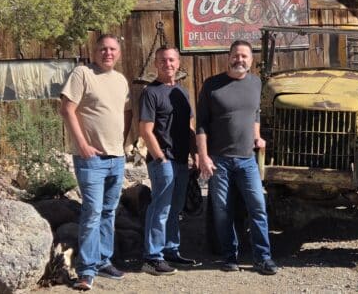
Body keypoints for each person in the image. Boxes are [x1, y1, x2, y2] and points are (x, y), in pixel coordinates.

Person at [196, 40, 278, 275]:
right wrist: (203, 156)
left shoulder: (255, 83)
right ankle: (229, 257)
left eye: (244, 56)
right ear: (228, 57)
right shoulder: (212, 85)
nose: (239, 60)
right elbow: (201, 124)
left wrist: (257, 136)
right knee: (223, 211)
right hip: (219, 160)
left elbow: (255, 114)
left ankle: (263, 258)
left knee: (258, 207)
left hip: (247, 159)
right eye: (236, 55)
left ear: (251, 60)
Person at [60, 34, 132, 291]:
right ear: (95, 50)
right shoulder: (82, 73)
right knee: (91, 213)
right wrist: (81, 144)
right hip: (91, 159)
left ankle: (103, 260)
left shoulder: (121, 80)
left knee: (109, 212)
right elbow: (67, 108)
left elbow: (126, 111)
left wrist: (121, 144)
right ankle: (86, 270)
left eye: (113, 49)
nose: (108, 53)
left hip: (116, 158)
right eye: (103, 49)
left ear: (119, 53)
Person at [139, 47, 200, 276]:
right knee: (160, 208)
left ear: (178, 63)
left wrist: (195, 154)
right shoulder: (150, 92)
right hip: (162, 160)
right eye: (163, 60)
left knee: (175, 209)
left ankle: (171, 250)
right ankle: (152, 257)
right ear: (156, 63)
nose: (168, 64)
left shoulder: (182, 93)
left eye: (172, 60)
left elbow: (190, 127)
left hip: (181, 160)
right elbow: (145, 130)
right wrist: (160, 157)